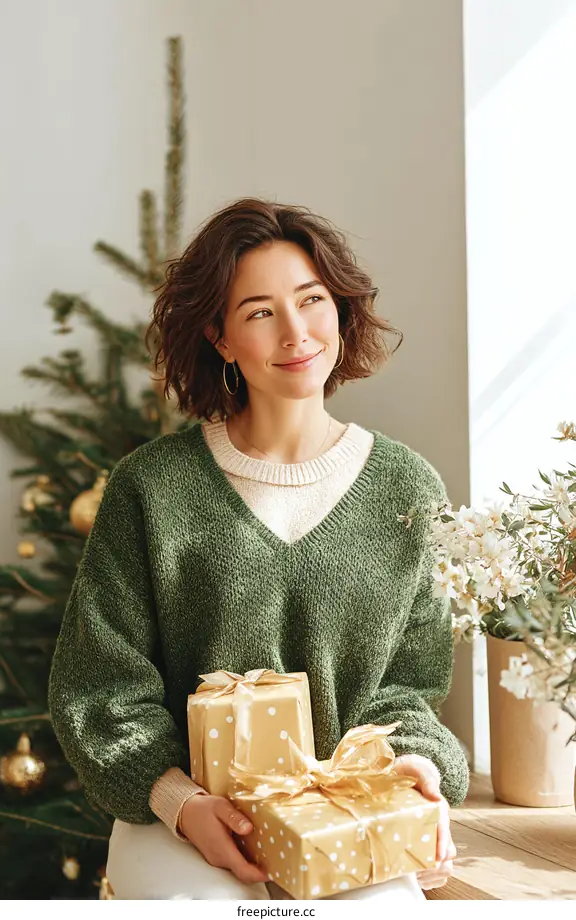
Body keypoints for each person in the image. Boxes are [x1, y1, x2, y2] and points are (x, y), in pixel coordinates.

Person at [47, 196, 468, 900]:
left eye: (312, 300)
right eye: (260, 312)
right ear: (219, 336)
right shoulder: (151, 488)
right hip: (178, 817)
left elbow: (409, 687)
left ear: (340, 308)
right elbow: (100, 688)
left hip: (342, 815)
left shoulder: (407, 486)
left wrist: (414, 771)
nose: (297, 332)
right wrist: (183, 805)